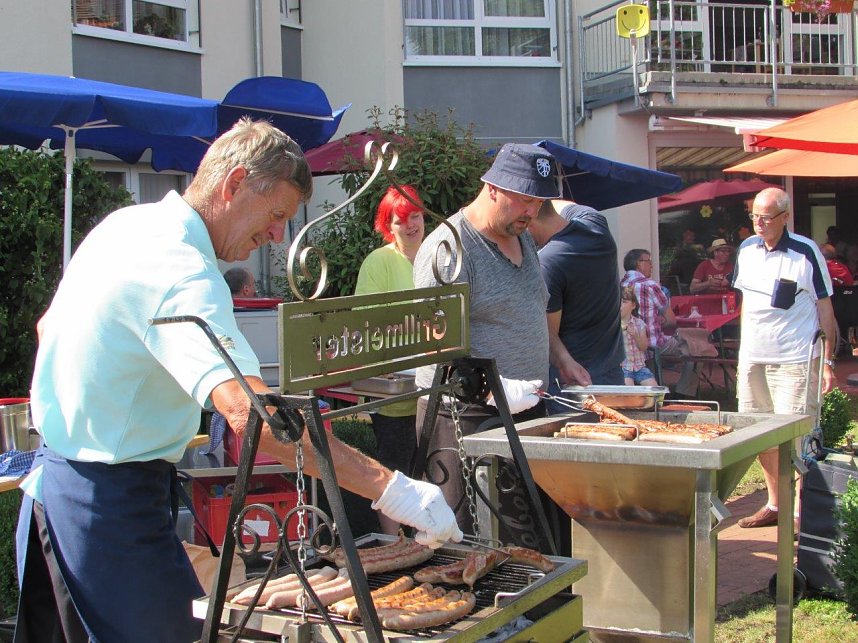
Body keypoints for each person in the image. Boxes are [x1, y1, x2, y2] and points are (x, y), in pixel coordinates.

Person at [15, 118, 461, 643]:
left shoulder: (124, 225)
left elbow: (49, 326)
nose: (276, 235)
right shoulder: (185, 274)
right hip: (108, 505)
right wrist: (394, 490)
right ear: (234, 184)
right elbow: (255, 419)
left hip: (51, 490)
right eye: (276, 215)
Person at [413, 143, 559, 533]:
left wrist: (563, 359)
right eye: (525, 199)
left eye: (539, 201)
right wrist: (492, 391)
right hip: (463, 415)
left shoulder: (521, 235)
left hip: (524, 408)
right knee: (465, 535)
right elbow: (434, 341)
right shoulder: (449, 249)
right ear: (492, 187)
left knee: (528, 535)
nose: (533, 211)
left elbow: (531, 307)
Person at [732, 187, 837, 529]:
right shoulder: (747, 249)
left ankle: (799, 513)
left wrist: (828, 362)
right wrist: (742, 352)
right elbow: (746, 301)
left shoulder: (805, 253)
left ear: (784, 217)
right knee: (759, 433)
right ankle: (776, 503)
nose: (758, 224)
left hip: (794, 358)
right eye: (754, 217)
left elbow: (825, 308)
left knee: (796, 437)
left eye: (765, 217)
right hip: (753, 358)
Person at [354, 185, 425, 535]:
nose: (411, 225)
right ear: (388, 226)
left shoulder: (438, 256)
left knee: (429, 470)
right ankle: (393, 546)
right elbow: (364, 319)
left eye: (415, 216)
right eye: (401, 220)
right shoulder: (379, 261)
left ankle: (426, 545)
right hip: (394, 390)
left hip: (434, 389)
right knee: (394, 475)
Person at [528, 199, 624, 414]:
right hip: (611, 371)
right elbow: (560, 205)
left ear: (530, 220)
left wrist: (564, 363)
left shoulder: (547, 263)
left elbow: (548, 334)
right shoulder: (595, 225)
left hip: (571, 379)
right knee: (617, 440)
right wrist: (536, 198)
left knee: (574, 445)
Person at [621, 249, 698, 397]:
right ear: (639, 264)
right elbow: (671, 321)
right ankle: (684, 394)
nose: (651, 265)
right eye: (649, 261)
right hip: (652, 344)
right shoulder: (651, 285)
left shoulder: (619, 285)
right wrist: (658, 322)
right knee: (694, 350)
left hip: (625, 347)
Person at [620, 286, 658, 386]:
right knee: (629, 391)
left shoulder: (639, 323)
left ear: (633, 305)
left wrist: (636, 336)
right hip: (623, 367)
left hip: (639, 366)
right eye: (618, 301)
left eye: (624, 302)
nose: (620, 305)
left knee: (654, 389)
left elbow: (644, 347)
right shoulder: (613, 325)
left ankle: (653, 402)